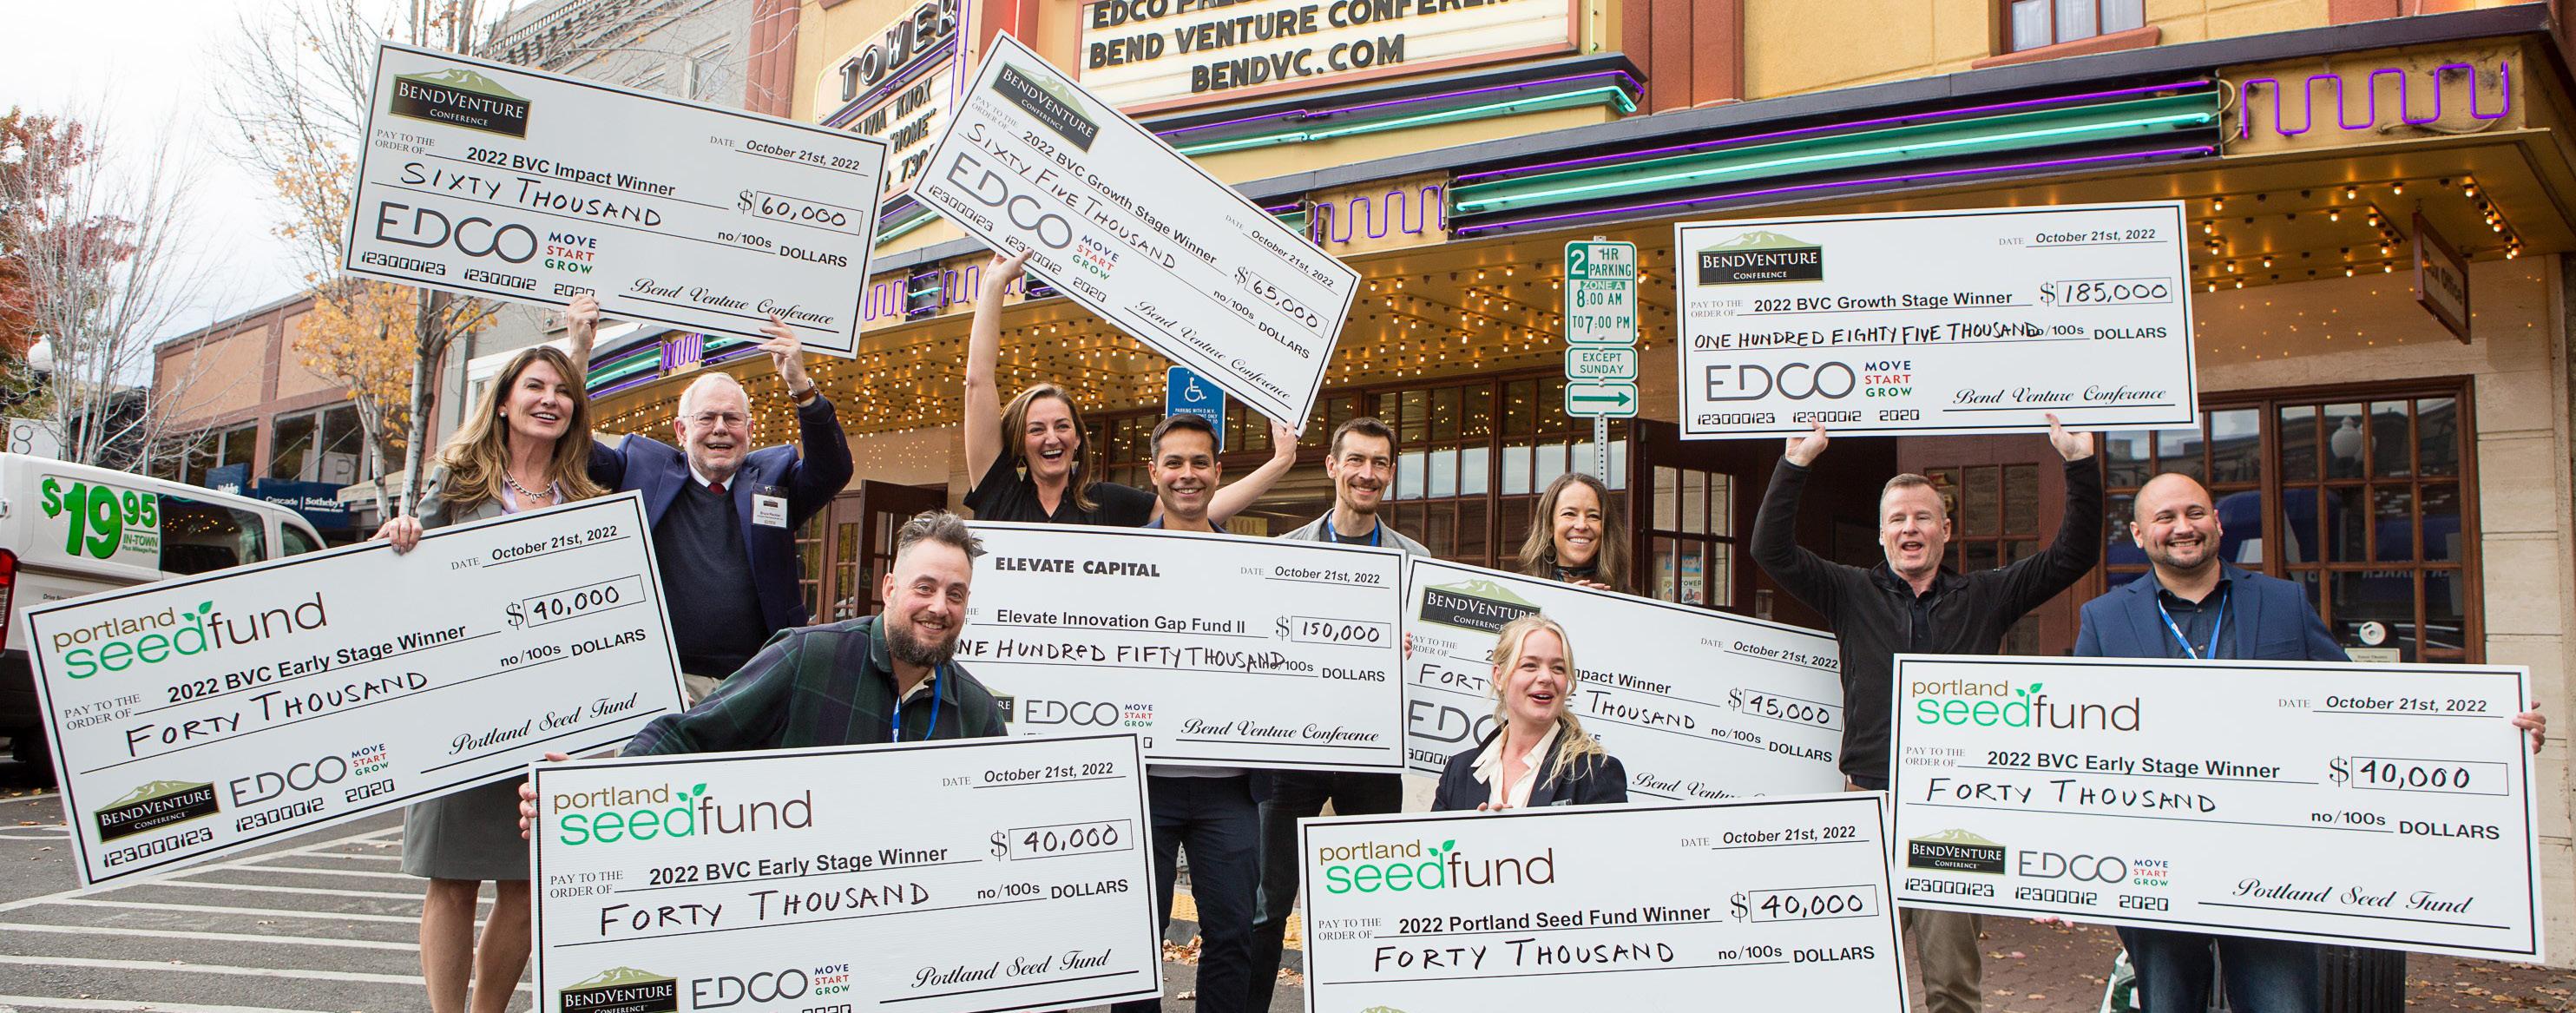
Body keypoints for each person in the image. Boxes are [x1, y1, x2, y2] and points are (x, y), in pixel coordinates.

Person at [2074, 473, 2544, 1013]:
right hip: (2158, 859)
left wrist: (2489, 740)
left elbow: (2358, 709)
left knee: (2283, 1004)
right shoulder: (2105, 618)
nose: (2183, 527)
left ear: (2217, 522)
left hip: (2274, 857)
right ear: (2139, 534)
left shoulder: (2282, 602)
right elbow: (2083, 736)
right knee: (2168, 1005)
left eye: (2195, 512)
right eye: (2165, 518)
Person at [1749, 415, 2101, 1013]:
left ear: (1945, 528)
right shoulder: (1849, 591)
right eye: (1897, 519)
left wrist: (2078, 463)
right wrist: (1796, 463)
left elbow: (2072, 555)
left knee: (1953, 985)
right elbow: (1770, 549)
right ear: (1883, 534)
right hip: (1871, 804)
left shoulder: (1986, 596)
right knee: (1855, 975)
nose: (1909, 528)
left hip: (1954, 812)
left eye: (1922, 517)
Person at [374, 344, 604, 1013]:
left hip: (550, 713)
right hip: (459, 709)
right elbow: (401, 579)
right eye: (535, 386)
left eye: (563, 391)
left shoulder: (590, 501)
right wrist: (401, 534)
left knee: (527, 885)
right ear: (503, 400)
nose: (550, 400)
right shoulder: (456, 482)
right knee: (451, 879)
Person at [565, 297, 854, 701]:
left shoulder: (774, 480)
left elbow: (833, 469)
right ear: (681, 431)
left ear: (749, 431)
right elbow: (571, 448)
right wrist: (577, 358)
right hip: (666, 682)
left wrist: (801, 387)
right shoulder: (640, 469)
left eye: (732, 418)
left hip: (758, 681)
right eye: (706, 418)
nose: (720, 428)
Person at [1248, 416, 1423, 1009]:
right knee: (1269, 902)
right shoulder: (1285, 554)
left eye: (1379, 463)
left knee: (1369, 901)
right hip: (1293, 754)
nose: (1367, 473)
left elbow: (1432, 662)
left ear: (1390, 473)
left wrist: (1413, 652)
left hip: (1372, 757)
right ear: (1332, 467)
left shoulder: (1415, 561)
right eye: (1356, 460)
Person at [964, 249, 1291, 526]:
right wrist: (994, 284)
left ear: (1077, 439)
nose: (1052, 437)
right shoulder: (1001, 492)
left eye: (1062, 426)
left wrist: (1280, 462)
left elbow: (1194, 511)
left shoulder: (1105, 502)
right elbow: (978, 383)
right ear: (1020, 442)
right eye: (1037, 429)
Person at [1119, 412, 1270, 1013]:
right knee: (1134, 940)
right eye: (1174, 462)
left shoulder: (1255, 567)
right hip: (1141, 784)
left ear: (1217, 470)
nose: (1188, 474)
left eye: (1200, 462)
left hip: (1229, 788)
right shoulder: (1117, 561)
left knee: (1232, 935)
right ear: (1153, 471)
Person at [1431, 614, 1627, 810]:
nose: (1546, 677)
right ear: (1499, 677)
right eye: (1530, 666)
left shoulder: (1596, 772)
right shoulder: (1458, 771)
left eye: (1558, 668)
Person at [1517, 471, 1629, 593]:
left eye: (1593, 516)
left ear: (1605, 529)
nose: (1582, 525)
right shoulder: (1521, 592)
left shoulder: (1627, 599)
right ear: (1549, 526)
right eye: (1569, 514)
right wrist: (1568, 600)